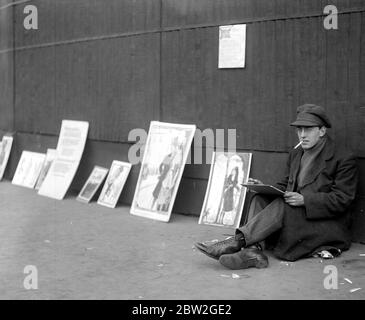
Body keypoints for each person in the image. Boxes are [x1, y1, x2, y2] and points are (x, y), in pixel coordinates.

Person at [195, 104, 358, 270]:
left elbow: (343, 199)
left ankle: (238, 241)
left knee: (282, 204)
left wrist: (305, 200)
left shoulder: (343, 158)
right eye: (299, 129)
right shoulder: (297, 154)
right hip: (294, 214)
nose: (302, 135)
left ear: (322, 131)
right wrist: (264, 187)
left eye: (308, 129)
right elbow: (286, 184)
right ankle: (253, 250)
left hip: (325, 223)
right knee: (259, 198)